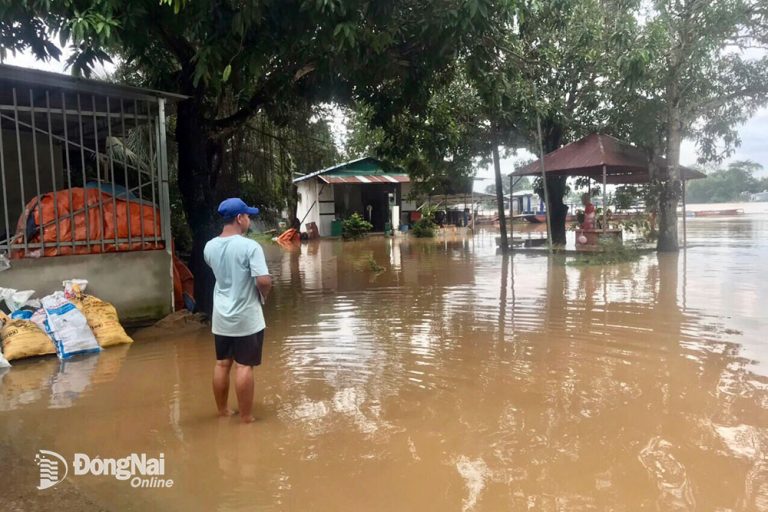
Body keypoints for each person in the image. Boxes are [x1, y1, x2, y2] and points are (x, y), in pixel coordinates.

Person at [204, 198, 272, 423]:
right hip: (246, 317)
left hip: (221, 317)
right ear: (239, 218)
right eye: (248, 216)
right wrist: (264, 295)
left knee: (222, 364)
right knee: (244, 365)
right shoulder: (250, 246)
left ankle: (222, 411)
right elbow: (263, 280)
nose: (249, 220)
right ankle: (246, 417)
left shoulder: (209, 247)